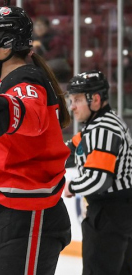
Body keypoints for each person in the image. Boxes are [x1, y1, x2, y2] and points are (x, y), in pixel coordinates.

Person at [0, 5, 72, 274]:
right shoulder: (6, 82)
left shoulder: (25, 80)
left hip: (29, 214)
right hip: (0, 211)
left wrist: (6, 113)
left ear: (7, 44)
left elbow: (29, 114)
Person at [64, 71, 132, 275]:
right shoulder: (100, 125)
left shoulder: (102, 129)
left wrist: (71, 186)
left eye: (76, 99)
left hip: (110, 215)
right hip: (119, 213)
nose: (72, 106)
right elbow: (70, 150)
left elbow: (99, 179)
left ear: (95, 99)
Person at [32, 16, 71, 82]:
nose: (39, 28)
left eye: (41, 25)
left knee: (43, 68)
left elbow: (56, 53)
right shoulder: (32, 39)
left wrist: (42, 59)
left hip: (56, 62)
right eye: (36, 25)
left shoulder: (55, 38)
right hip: (40, 62)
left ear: (47, 27)